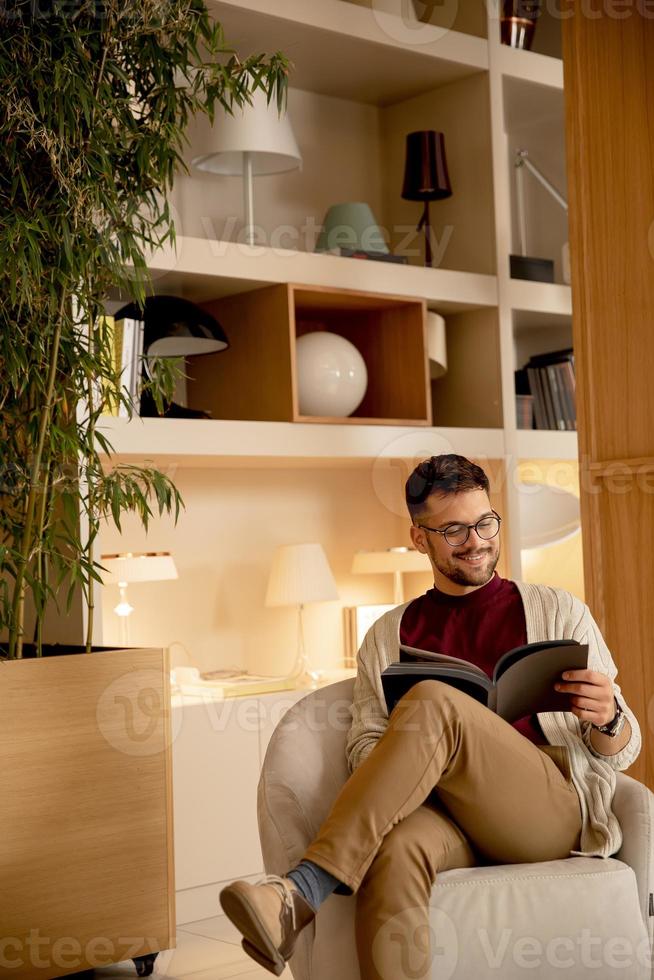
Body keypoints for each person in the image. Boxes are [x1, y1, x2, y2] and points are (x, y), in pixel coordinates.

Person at [219, 454, 641, 979]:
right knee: (390, 848)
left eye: (485, 522)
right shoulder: (387, 634)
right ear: (419, 538)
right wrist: (426, 756)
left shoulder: (558, 609)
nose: (477, 541)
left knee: (432, 701)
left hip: (542, 811)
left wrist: (607, 718)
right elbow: (364, 747)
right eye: (454, 530)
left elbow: (624, 749)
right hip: (443, 815)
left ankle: (301, 890)